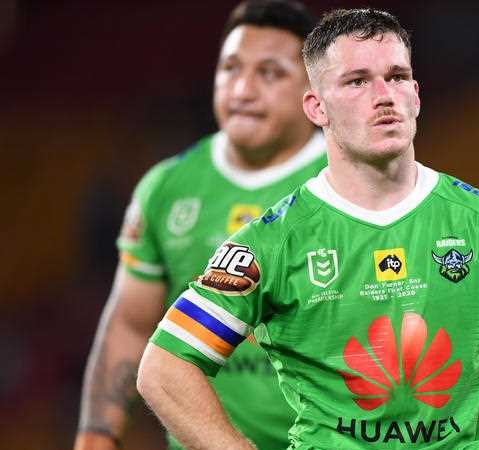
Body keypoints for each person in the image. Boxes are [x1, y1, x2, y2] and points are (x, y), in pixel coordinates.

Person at [137, 8, 479, 450]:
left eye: (397, 77)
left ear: (417, 94)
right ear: (316, 107)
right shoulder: (272, 242)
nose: (384, 96)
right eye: (357, 81)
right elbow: (164, 368)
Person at [73, 1, 325, 449]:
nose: (243, 89)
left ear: (314, 91)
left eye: (269, 73)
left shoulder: (357, 181)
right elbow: (132, 325)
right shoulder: (167, 187)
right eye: (230, 68)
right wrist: (97, 436)